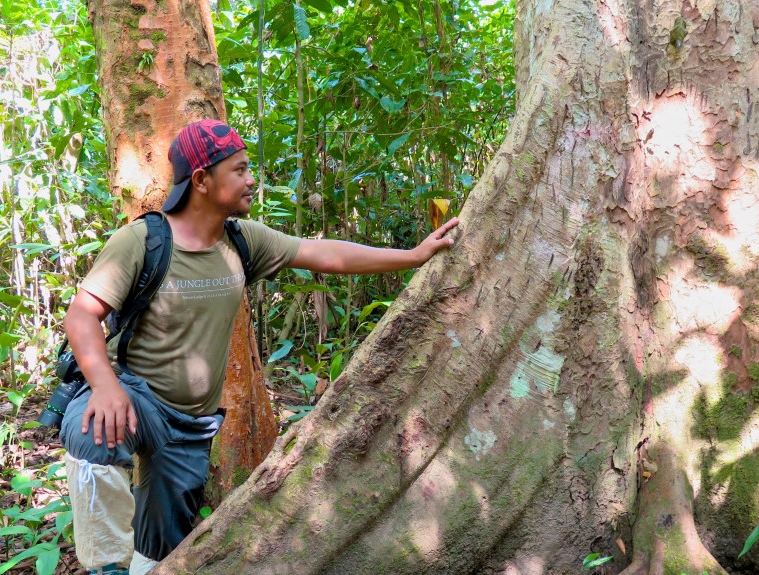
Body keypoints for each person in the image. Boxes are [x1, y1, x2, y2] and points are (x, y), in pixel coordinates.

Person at [59, 119, 460, 574]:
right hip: (137, 397)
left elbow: (325, 254)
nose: (252, 180)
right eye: (240, 170)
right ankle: (105, 567)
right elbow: (81, 314)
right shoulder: (143, 241)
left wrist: (412, 256)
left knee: (160, 550)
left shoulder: (243, 240)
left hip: (189, 425)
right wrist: (105, 386)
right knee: (92, 431)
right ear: (201, 180)